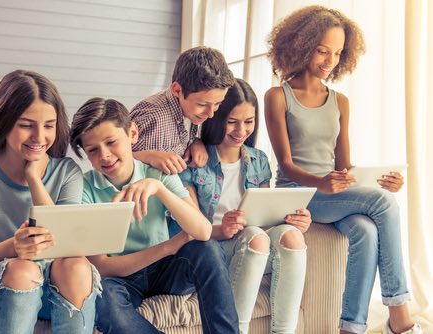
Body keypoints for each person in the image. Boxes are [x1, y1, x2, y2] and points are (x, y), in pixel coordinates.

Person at [264, 5, 422, 334]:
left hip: (333, 192)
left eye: (337, 53)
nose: (329, 61)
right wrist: (321, 183)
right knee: (383, 204)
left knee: (366, 228)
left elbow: (344, 166)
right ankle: (400, 313)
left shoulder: (340, 101)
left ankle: (351, 327)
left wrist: (380, 181)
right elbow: (287, 166)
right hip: (300, 192)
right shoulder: (278, 96)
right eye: (322, 51)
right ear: (301, 45)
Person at [0, 70, 100, 334]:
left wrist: (34, 180)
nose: (39, 138)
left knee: (77, 266)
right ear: (3, 121)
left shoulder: (67, 172)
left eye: (49, 125)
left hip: (52, 288)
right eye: (27, 125)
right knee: (22, 271)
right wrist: (16, 247)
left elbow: (63, 245)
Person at [69, 97, 239, 334]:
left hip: (165, 272)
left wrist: (158, 188)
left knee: (207, 248)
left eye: (111, 142)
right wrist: (168, 247)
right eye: (93, 150)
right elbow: (103, 266)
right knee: (100, 294)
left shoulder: (157, 173)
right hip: (121, 279)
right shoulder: (84, 190)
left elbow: (203, 231)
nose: (105, 155)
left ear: (133, 134)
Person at [179, 79, 311, 334]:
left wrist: (293, 219)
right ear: (216, 118)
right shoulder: (194, 160)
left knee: (292, 236)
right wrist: (221, 229)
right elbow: (191, 229)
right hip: (213, 251)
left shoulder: (258, 160)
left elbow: (264, 218)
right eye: (232, 121)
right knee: (255, 237)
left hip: (254, 245)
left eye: (248, 121)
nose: (241, 130)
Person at [130, 46, 236, 175]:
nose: (211, 113)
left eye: (217, 103)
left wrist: (195, 141)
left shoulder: (189, 109)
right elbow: (114, 164)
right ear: (177, 90)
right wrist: (147, 156)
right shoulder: (153, 118)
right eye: (202, 104)